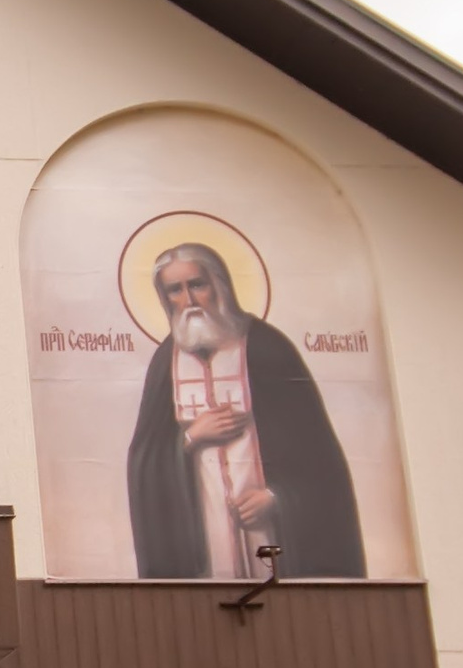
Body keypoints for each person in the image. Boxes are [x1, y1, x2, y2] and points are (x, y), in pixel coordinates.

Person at [126, 239, 364, 581]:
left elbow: (319, 456)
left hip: (270, 532)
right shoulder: (165, 363)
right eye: (174, 290)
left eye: (197, 284)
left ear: (219, 284)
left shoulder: (268, 349)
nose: (188, 300)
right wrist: (192, 436)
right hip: (204, 541)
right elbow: (143, 462)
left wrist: (276, 497)